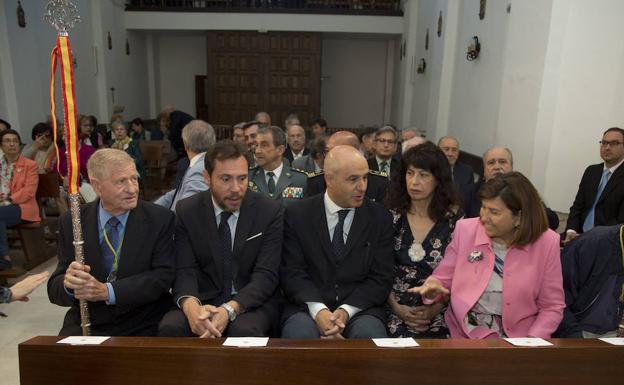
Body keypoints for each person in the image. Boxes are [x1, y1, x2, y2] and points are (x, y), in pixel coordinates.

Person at [411, 172, 565, 339]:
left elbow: (552, 306)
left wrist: (532, 341)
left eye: (494, 212)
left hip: (520, 338)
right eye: (483, 207)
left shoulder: (546, 242)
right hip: (466, 333)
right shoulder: (466, 230)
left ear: (519, 217)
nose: (484, 217)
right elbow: (442, 278)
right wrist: (433, 288)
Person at [158, 140, 284, 338]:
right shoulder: (187, 210)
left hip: (249, 302)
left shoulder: (269, 211)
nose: (236, 188)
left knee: (244, 330)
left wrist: (230, 309)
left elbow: (266, 275)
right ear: (207, 178)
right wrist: (192, 308)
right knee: (171, 327)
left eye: (242, 178)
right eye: (226, 179)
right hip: (203, 298)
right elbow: (185, 270)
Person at [47, 149, 175, 336]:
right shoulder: (73, 221)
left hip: (143, 318)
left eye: (134, 178)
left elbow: (163, 277)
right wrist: (69, 284)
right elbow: (55, 288)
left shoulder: (159, 219)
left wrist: (108, 291)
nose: (132, 189)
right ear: (97, 186)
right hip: (89, 319)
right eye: (121, 182)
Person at [280, 145, 394, 339]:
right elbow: (292, 273)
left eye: (365, 177)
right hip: (307, 306)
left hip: (361, 308)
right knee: (299, 334)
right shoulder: (298, 215)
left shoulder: (379, 217)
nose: (363, 187)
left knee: (368, 334)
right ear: (329, 179)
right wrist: (319, 310)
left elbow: (381, 277)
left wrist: (346, 310)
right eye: (353, 179)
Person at [384, 143, 463, 338]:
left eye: (423, 175)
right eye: (410, 173)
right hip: (391, 306)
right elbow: (377, 268)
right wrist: (397, 309)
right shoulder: (390, 215)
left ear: (439, 180)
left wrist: (435, 309)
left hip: (440, 309)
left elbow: (461, 273)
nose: (414, 182)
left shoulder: (454, 219)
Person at [466, 146, 559, 231]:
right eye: (491, 163)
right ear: (484, 170)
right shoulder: (470, 192)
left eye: (502, 162)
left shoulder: (524, 190)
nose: (497, 167)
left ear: (511, 167)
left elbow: (552, 221)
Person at [555, 225, 624, 338]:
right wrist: (574, 334)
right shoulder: (593, 243)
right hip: (580, 331)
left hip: (615, 334)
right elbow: (556, 295)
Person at [564, 127, 624, 244]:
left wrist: (588, 238)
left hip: (606, 240)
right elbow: (577, 207)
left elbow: (620, 222)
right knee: (545, 244)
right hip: (577, 234)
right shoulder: (591, 171)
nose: (607, 147)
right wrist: (571, 231)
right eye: (604, 143)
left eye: (614, 143)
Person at [307, 131, 389, 203]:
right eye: (327, 151)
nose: (328, 156)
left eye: (334, 151)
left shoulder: (378, 183)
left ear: (353, 152)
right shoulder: (316, 182)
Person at [0, 130, 40, 270]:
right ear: (1, 145)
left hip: (23, 207)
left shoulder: (30, 165)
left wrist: (8, 200)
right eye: (7, 141)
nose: (12, 144)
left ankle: (4, 258)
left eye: (15, 141)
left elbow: (29, 191)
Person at [155, 120, 215, 211]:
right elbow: (176, 193)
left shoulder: (199, 170)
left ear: (185, 144)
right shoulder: (201, 163)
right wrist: (152, 209)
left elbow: (187, 211)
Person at [249, 126, 307, 206]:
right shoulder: (248, 177)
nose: (257, 151)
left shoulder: (300, 179)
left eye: (264, 145)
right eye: (256, 145)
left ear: (280, 150)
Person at [438, 136, 475, 208]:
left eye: (454, 150)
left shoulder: (467, 171)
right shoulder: (431, 169)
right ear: (438, 151)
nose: (450, 154)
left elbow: (471, 198)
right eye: (446, 149)